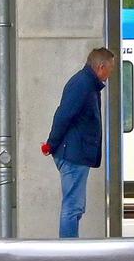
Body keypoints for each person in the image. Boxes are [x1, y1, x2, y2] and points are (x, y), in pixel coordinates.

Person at [39, 46, 113, 237]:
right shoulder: (82, 84)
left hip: (76, 152)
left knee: (76, 206)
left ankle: (70, 246)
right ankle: (69, 250)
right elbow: (63, 115)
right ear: (101, 67)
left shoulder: (87, 84)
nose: (111, 73)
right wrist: (51, 144)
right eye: (110, 69)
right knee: (72, 206)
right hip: (73, 154)